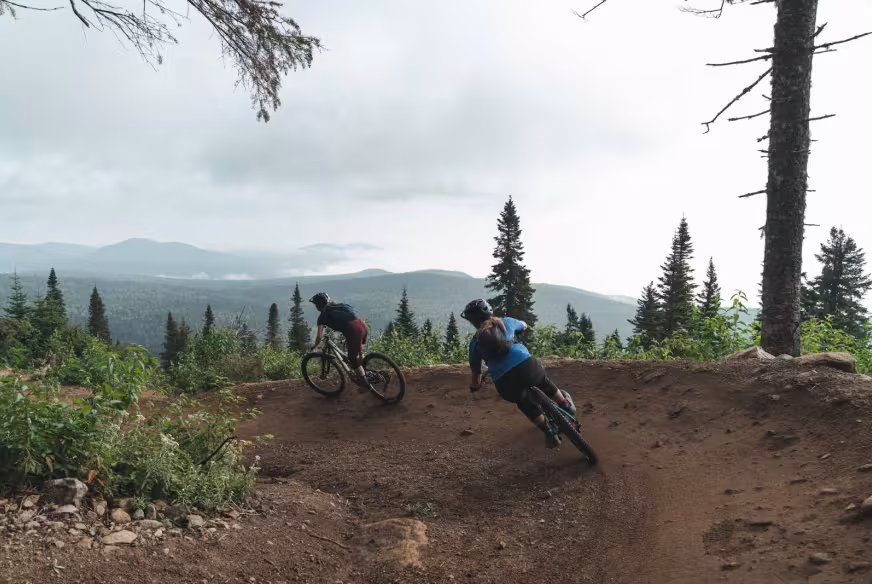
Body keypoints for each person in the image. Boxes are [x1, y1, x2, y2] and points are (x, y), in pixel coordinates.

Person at [462, 299, 577, 449]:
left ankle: (549, 432)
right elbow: (524, 324)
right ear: (490, 311)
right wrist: (521, 329)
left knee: (523, 402)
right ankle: (565, 404)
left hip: (505, 382)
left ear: (472, 321)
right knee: (543, 381)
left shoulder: (474, 343)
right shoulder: (505, 322)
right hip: (526, 367)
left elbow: (476, 374)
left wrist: (475, 386)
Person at [309, 292, 374, 393]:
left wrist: (314, 346)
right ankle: (365, 372)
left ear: (318, 306)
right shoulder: (339, 306)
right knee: (358, 352)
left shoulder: (322, 317)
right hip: (362, 325)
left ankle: (365, 384)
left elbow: (319, 336)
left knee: (352, 359)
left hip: (353, 330)